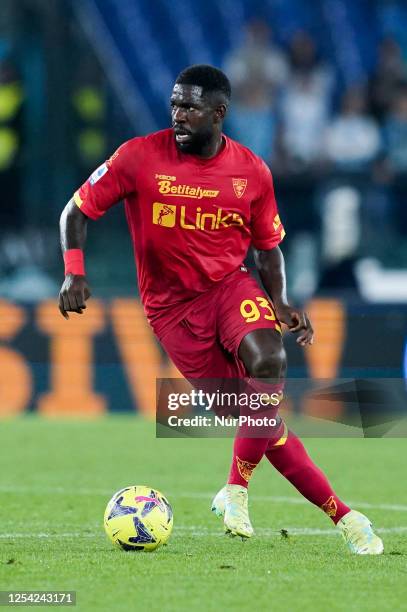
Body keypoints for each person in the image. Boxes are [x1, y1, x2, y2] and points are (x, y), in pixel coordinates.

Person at [58, 64, 383, 554]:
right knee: (261, 420)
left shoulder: (252, 171)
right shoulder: (138, 157)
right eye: (174, 104)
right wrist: (74, 271)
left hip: (230, 289)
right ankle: (346, 517)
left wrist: (279, 301)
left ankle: (237, 490)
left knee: (270, 360)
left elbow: (267, 248)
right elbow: (76, 211)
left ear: (219, 113)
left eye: (189, 106)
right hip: (171, 312)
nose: (178, 115)